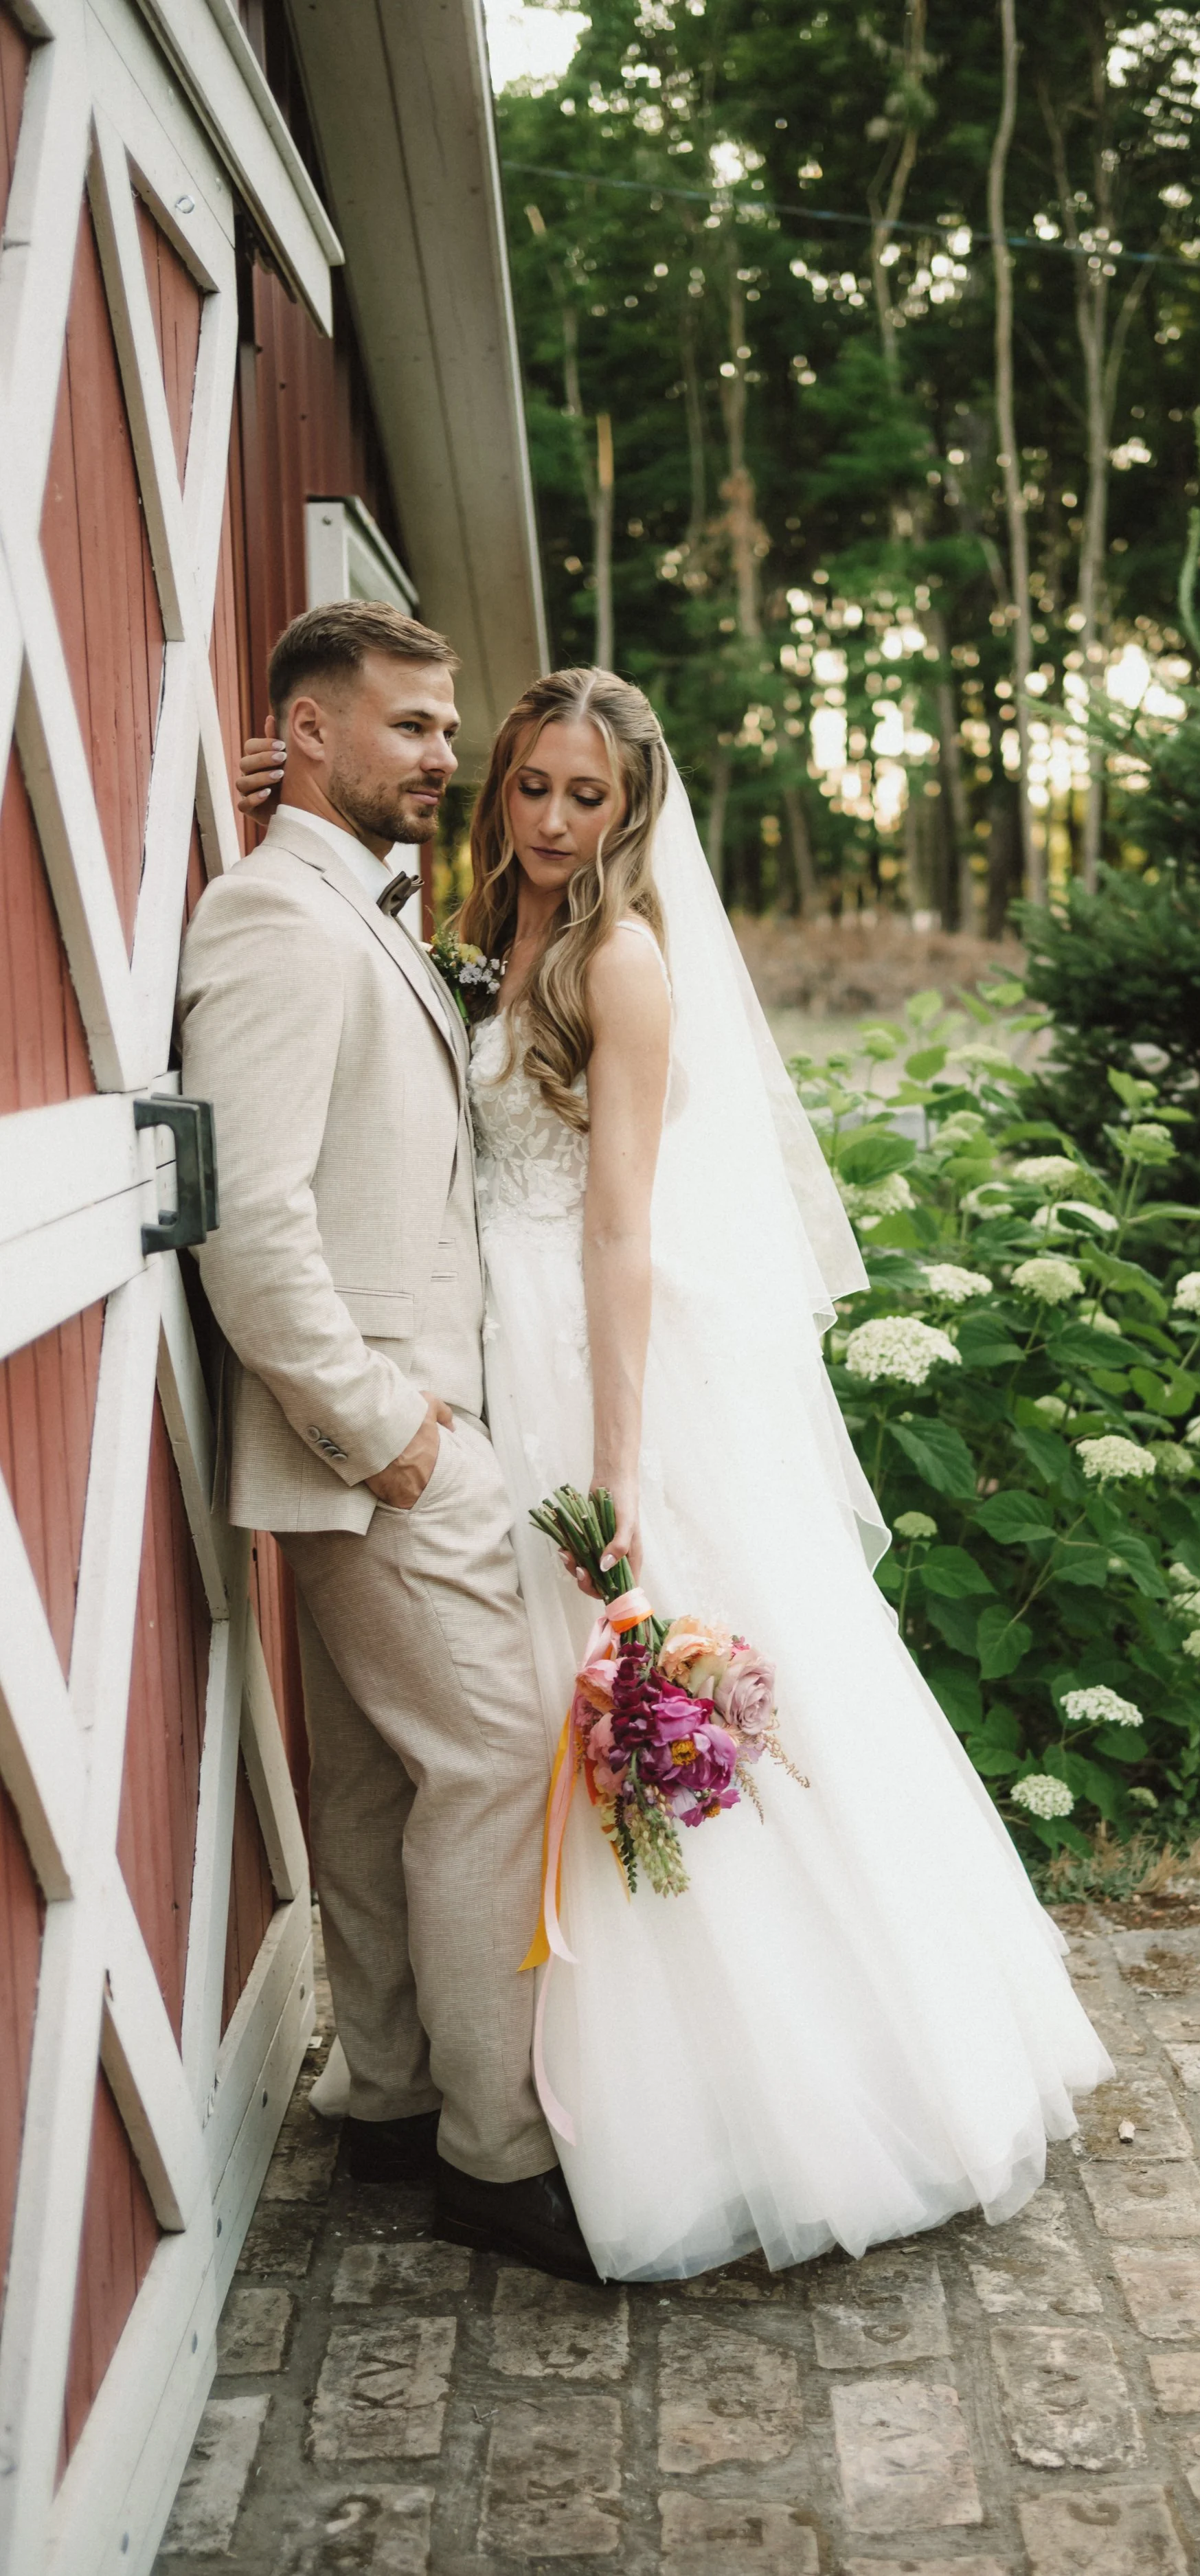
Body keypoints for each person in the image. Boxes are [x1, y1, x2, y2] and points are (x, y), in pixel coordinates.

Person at [247, 663, 1111, 2282]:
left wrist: (619, 1468)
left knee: (576, 1714)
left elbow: (622, 1222)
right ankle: (484, 2085)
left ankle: (708, 2104)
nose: (558, 822)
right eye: (534, 789)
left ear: (633, 807)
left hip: (579, 1355)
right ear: (500, 788)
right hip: (472, 1340)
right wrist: (285, 792)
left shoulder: (620, 963)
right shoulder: (463, 931)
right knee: (494, 1739)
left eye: (591, 797)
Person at [179, 601, 593, 2280]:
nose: (445, 756)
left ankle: (393, 2103)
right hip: (378, 1447)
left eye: (444, 729)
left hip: (390, 1446)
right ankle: (495, 2156)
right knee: (494, 1764)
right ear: (313, 727)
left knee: (366, 1782)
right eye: (412, 727)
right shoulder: (277, 920)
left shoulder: (356, 900)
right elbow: (252, 1221)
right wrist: (383, 1434)